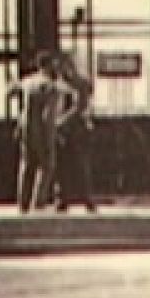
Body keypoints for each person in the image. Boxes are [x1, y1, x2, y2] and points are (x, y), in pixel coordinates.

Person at [8, 51, 64, 213]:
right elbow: (48, 115)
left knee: (26, 163)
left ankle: (22, 202)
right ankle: (38, 201)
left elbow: (10, 90)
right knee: (46, 165)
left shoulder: (28, 81)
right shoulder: (50, 86)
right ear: (49, 65)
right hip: (41, 128)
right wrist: (52, 134)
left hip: (25, 126)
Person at [53, 55, 96, 213]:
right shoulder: (58, 84)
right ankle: (62, 198)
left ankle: (86, 198)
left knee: (81, 164)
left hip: (77, 129)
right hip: (63, 131)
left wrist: (61, 121)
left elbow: (80, 107)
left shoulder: (81, 84)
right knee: (62, 165)